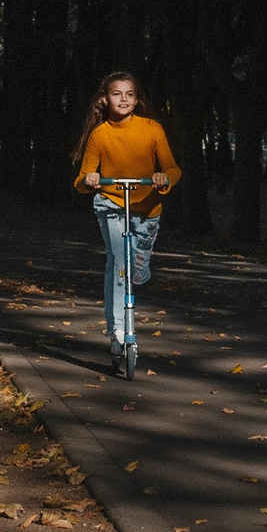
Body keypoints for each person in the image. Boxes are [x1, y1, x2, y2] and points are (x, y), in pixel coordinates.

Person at [71, 71, 181, 351]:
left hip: (147, 207)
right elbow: (82, 179)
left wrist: (163, 178)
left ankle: (141, 267)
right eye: (116, 94)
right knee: (119, 264)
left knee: (136, 268)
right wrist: (90, 179)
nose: (123, 99)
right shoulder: (100, 135)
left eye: (129, 94)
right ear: (105, 99)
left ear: (136, 100)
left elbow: (172, 168)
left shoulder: (152, 129)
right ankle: (119, 330)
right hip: (112, 203)